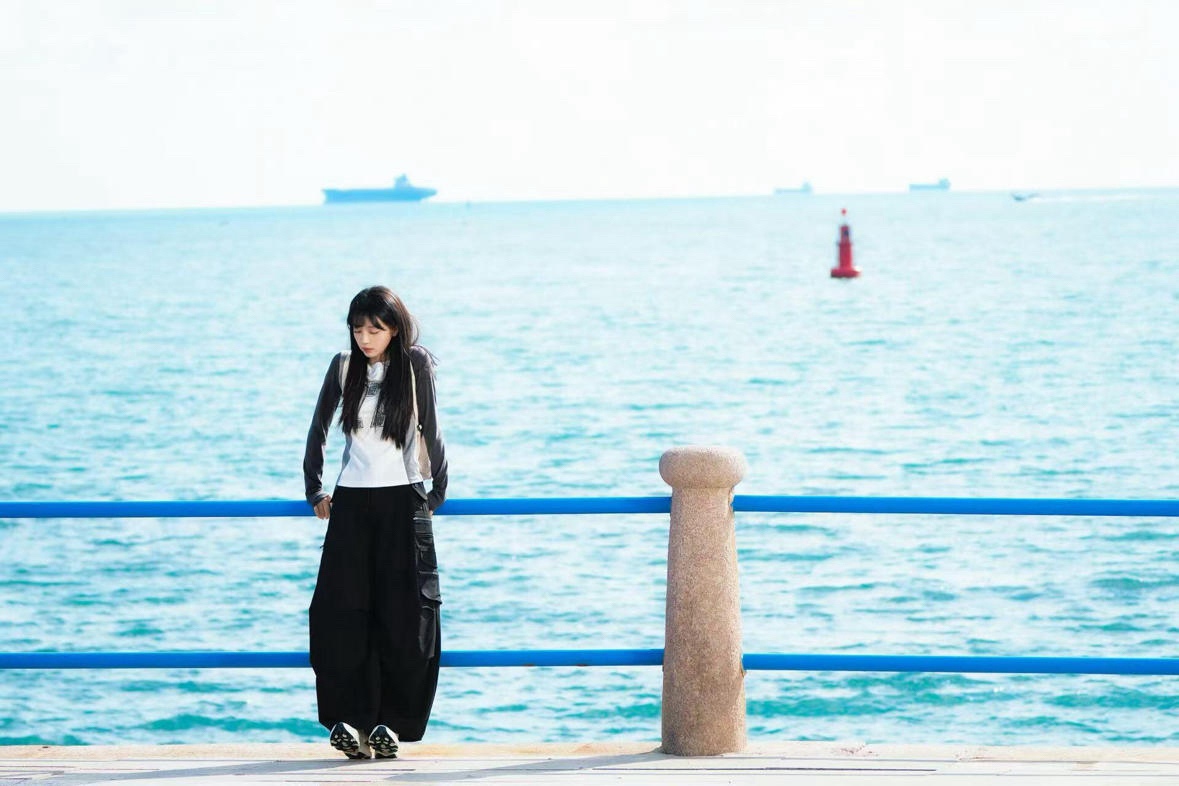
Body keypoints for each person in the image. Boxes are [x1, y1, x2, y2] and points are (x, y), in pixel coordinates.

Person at [302, 285, 449, 759]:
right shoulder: (343, 367)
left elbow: (432, 425)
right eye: (357, 329)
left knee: (406, 615)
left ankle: (392, 725)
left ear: (395, 330)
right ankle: (351, 721)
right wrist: (314, 489)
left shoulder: (415, 364)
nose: (364, 338)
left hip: (403, 500)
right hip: (350, 504)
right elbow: (318, 428)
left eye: (375, 330)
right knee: (339, 613)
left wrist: (438, 490)